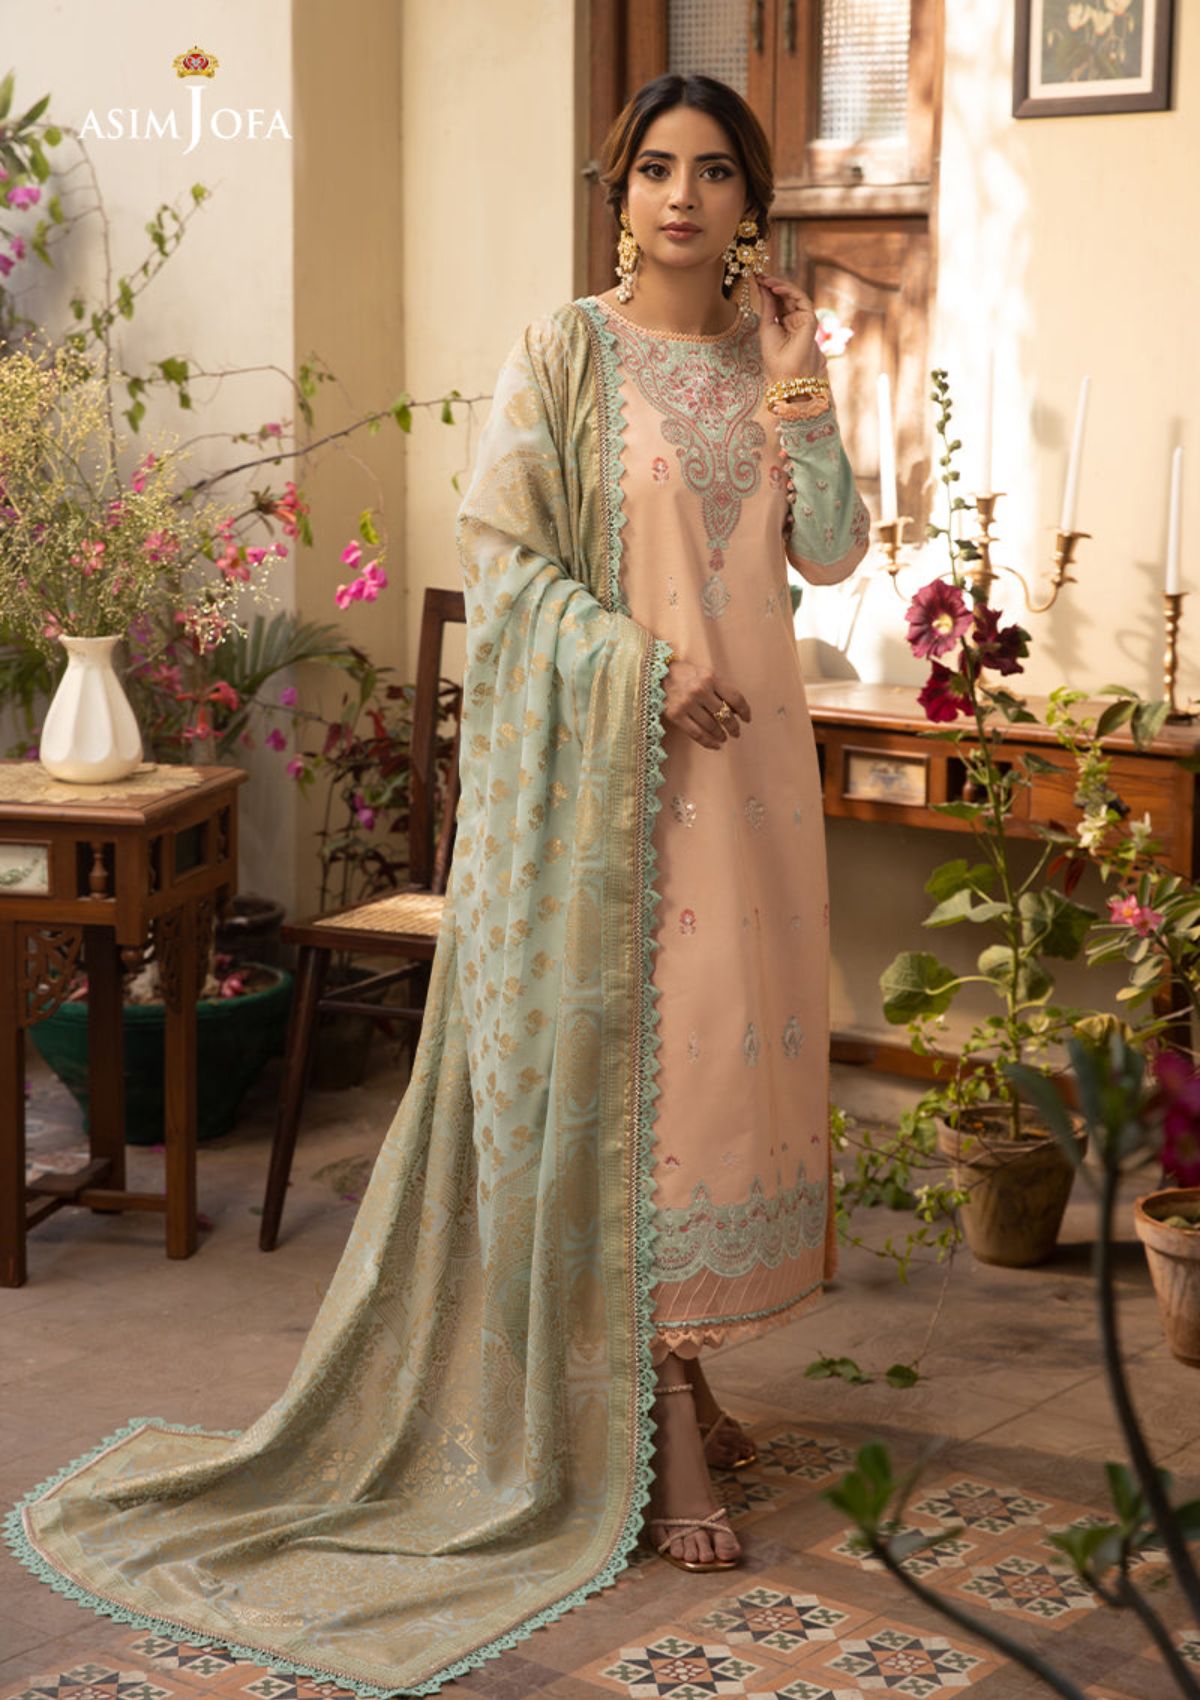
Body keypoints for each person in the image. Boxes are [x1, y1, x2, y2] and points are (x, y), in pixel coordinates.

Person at [6, 73, 869, 1698]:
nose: (683, 197)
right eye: (656, 169)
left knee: (725, 1094)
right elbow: (511, 564)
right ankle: (664, 1416)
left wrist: (807, 383)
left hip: (755, 788)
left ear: (751, 200)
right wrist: (641, 668)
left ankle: (677, 1366)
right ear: (618, 192)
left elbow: (829, 555)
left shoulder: (772, 359)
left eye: (714, 171)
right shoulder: (566, 353)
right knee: (643, 1083)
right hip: (628, 784)